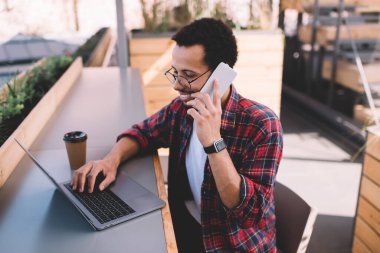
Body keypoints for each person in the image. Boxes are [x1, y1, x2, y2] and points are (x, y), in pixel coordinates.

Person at [71, 18, 283, 253]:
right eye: (176, 72)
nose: (177, 85)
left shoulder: (262, 125)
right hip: (190, 228)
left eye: (188, 75)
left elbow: (248, 213)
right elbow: (143, 132)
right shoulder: (182, 108)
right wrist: (110, 161)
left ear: (221, 76)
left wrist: (213, 142)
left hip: (234, 245)